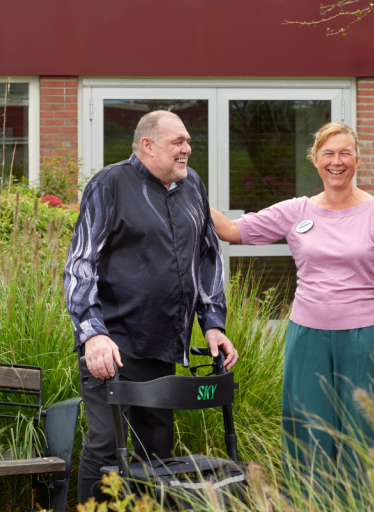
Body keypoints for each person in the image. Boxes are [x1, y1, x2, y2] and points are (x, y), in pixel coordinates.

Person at [210, 122, 374, 492]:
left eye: (345, 153)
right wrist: (187, 190)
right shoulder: (296, 210)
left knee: (363, 433)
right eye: (328, 154)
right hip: (307, 337)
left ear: (357, 159)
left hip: (364, 338)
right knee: (308, 433)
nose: (337, 161)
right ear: (315, 160)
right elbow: (232, 231)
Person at [64, 110, 238, 503]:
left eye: (188, 142)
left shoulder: (192, 185)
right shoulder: (110, 184)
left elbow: (208, 254)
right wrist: (93, 334)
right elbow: (80, 264)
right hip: (113, 348)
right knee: (107, 447)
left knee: (158, 454)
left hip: (164, 346)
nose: (187, 149)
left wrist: (213, 323)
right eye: (178, 141)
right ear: (147, 145)